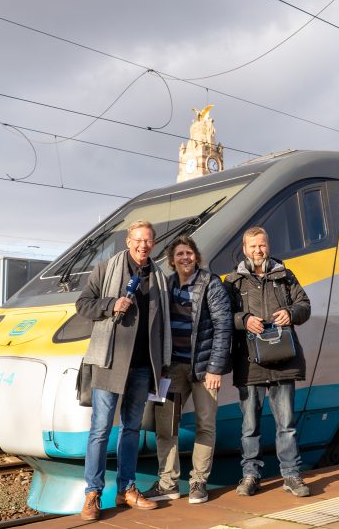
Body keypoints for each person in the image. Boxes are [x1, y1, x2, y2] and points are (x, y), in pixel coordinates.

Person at [75, 220, 171, 521]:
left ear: (153, 244)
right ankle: (93, 494)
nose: (143, 245)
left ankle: (127, 489)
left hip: (143, 365)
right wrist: (110, 305)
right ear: (129, 241)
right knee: (101, 430)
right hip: (110, 361)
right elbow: (82, 304)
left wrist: (164, 361)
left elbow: (163, 322)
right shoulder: (106, 269)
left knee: (131, 430)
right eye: (138, 239)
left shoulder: (159, 277)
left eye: (148, 240)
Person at [142, 235, 232, 505]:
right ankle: (168, 484)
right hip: (172, 369)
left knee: (206, 424)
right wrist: (158, 368)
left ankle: (198, 483)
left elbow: (223, 327)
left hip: (204, 369)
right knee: (165, 427)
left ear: (196, 256)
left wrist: (216, 367)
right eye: (179, 254)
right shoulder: (167, 285)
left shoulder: (210, 283)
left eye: (189, 253)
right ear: (172, 260)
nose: (185, 258)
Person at [224, 226, 312, 498]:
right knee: (250, 427)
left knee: (286, 425)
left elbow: (305, 305)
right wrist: (243, 320)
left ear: (268, 245)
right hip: (249, 363)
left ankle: (291, 475)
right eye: (253, 247)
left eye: (262, 245)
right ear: (244, 248)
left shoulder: (285, 276)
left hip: (284, 361)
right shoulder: (232, 281)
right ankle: (250, 475)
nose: (258, 251)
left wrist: (290, 312)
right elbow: (222, 315)